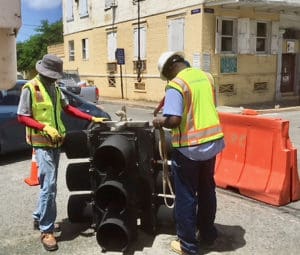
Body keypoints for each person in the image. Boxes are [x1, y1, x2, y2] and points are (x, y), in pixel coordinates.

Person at [17, 54, 106, 251]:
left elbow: (69, 109)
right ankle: (47, 230)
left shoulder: (56, 88)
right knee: (49, 186)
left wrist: (91, 117)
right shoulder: (30, 88)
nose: (53, 78)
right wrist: (43, 127)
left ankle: (38, 216)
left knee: (48, 185)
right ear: (43, 72)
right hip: (42, 144)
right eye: (51, 75)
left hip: (57, 143)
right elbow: (22, 116)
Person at [152, 51, 225, 255]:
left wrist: (159, 121)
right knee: (207, 190)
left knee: (186, 196)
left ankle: (188, 246)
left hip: (190, 148)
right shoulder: (206, 76)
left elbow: (174, 120)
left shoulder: (176, 84)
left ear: (168, 71)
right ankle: (208, 234)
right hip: (212, 143)